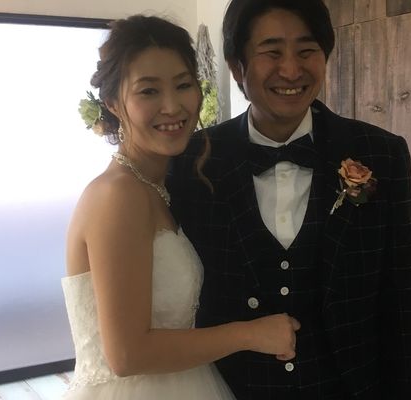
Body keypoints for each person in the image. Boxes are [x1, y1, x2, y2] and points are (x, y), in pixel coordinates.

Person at [168, 0, 411, 399]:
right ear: (237, 67)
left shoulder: (381, 154)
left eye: (306, 51)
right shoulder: (191, 162)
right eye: (272, 52)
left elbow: (399, 301)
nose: (290, 70)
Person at [62, 15, 301, 400]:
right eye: (148, 91)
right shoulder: (117, 195)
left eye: (183, 85)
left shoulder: (157, 186)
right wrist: (250, 334)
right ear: (113, 103)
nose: (172, 106)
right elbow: (127, 355)